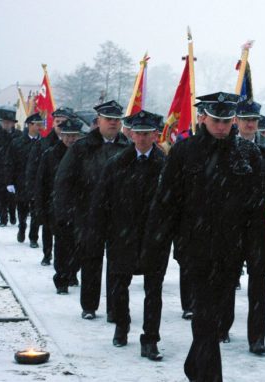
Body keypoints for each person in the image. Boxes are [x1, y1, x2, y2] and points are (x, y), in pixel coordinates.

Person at [140, 92, 265, 381]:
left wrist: (258, 249)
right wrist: (156, 243)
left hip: (231, 249)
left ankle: (194, 365)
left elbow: (256, 208)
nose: (222, 127)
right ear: (203, 118)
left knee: (218, 319)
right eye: (216, 120)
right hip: (195, 248)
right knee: (205, 317)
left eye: (227, 120)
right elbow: (166, 202)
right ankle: (210, 377)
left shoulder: (247, 154)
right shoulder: (184, 151)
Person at [90, 111, 166, 360]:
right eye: (138, 133)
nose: (143, 139)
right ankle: (122, 326)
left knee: (153, 291)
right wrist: (98, 233)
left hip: (154, 237)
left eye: (147, 134)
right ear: (130, 134)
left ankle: (150, 339)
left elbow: (175, 203)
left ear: (155, 135)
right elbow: (101, 201)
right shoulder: (117, 162)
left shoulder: (165, 165)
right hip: (122, 235)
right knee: (119, 286)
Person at [54, 100, 129, 321]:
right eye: (109, 119)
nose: (113, 123)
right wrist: (65, 213)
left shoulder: (126, 147)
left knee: (117, 264)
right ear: (98, 122)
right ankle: (89, 305)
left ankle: (115, 309)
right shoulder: (82, 147)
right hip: (88, 213)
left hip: (119, 215)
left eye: (117, 120)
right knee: (91, 260)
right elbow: (64, 181)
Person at [219, 99, 265, 354]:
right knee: (226, 279)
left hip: (258, 223)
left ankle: (257, 337)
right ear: (236, 121)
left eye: (253, 120)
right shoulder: (224, 147)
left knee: (259, 283)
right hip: (231, 222)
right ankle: (222, 327)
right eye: (245, 119)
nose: (249, 124)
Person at [36, 118, 83, 293]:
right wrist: (40, 209)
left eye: (74, 136)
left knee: (78, 245)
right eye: (68, 136)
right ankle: (62, 278)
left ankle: (73, 272)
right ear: (61, 135)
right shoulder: (50, 155)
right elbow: (41, 183)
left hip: (80, 207)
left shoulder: (83, 153)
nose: (71, 140)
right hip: (57, 207)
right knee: (62, 245)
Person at [27, 107, 75, 256]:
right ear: (53, 123)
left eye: (63, 122)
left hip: (68, 194)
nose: (60, 125)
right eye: (57, 121)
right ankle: (47, 253)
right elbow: (34, 169)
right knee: (48, 225)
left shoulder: (76, 144)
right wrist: (34, 192)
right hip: (49, 191)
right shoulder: (44, 144)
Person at [4, 113, 42, 247]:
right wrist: (9, 181)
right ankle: (22, 226)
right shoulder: (18, 142)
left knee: (36, 211)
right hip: (22, 181)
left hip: (38, 182)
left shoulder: (43, 143)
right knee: (22, 208)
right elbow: (10, 163)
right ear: (29, 125)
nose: (39, 127)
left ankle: (33, 237)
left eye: (40, 124)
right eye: (37, 124)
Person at [0, 110, 21, 227]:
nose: (6, 124)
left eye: (8, 122)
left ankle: (13, 214)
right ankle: (3, 218)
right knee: (1, 195)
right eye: (4, 122)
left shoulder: (18, 135)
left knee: (13, 195)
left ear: (13, 123)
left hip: (14, 169)